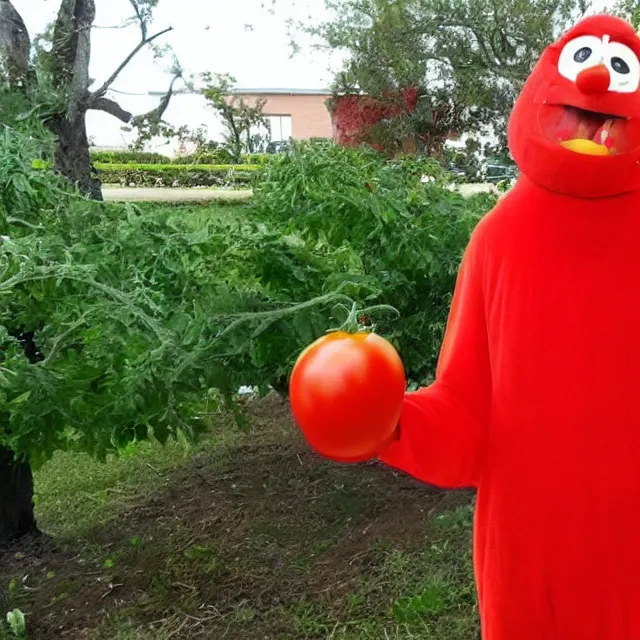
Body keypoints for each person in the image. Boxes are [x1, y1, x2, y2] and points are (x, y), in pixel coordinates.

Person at [376, 14, 640, 639]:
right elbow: (465, 414)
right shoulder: (500, 239)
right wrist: (387, 421)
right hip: (529, 566)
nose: (598, 79)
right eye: (582, 61)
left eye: (619, 69)